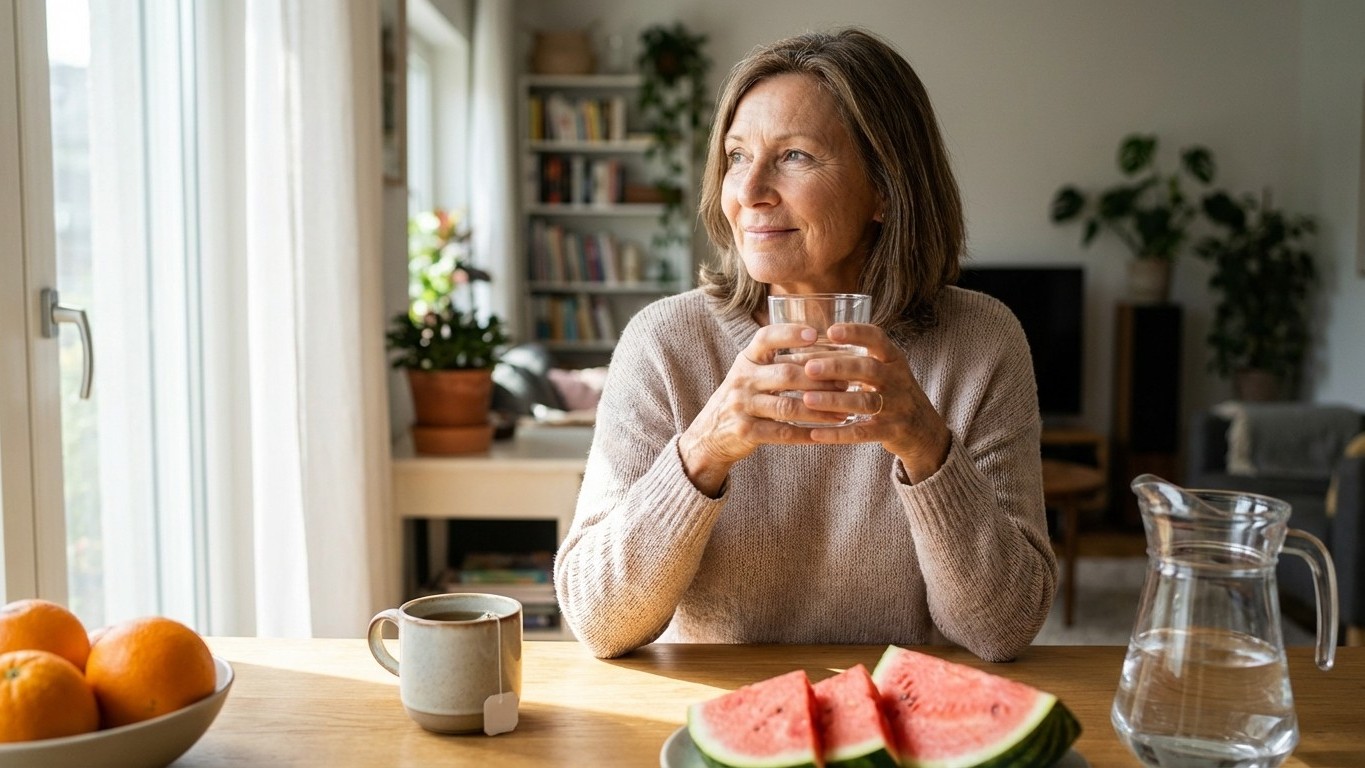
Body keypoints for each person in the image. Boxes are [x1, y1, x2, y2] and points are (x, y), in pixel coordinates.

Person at [553, 28, 1054, 662]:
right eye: (737, 156)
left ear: (884, 188)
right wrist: (705, 449)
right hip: (711, 728)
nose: (750, 191)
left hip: (894, 725)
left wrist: (926, 444)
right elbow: (599, 622)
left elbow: (1001, 630)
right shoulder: (664, 343)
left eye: (794, 156)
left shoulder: (981, 342)